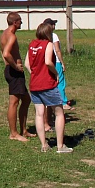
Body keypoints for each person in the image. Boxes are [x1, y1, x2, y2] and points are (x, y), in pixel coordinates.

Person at [28, 22, 72, 153]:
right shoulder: (48, 44)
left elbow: (27, 64)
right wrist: (56, 73)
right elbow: (48, 62)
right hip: (47, 83)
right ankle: (60, 146)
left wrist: (35, 74)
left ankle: (44, 145)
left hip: (34, 84)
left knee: (39, 114)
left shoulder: (32, 44)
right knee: (59, 113)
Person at [0, 12, 31, 141]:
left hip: (12, 71)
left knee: (26, 99)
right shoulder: (12, 36)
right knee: (14, 102)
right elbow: (6, 54)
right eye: (20, 20)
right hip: (14, 72)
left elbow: (2, 52)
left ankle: (24, 130)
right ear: (15, 22)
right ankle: (13, 133)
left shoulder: (4, 34)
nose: (21, 22)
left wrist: (8, 65)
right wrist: (15, 66)